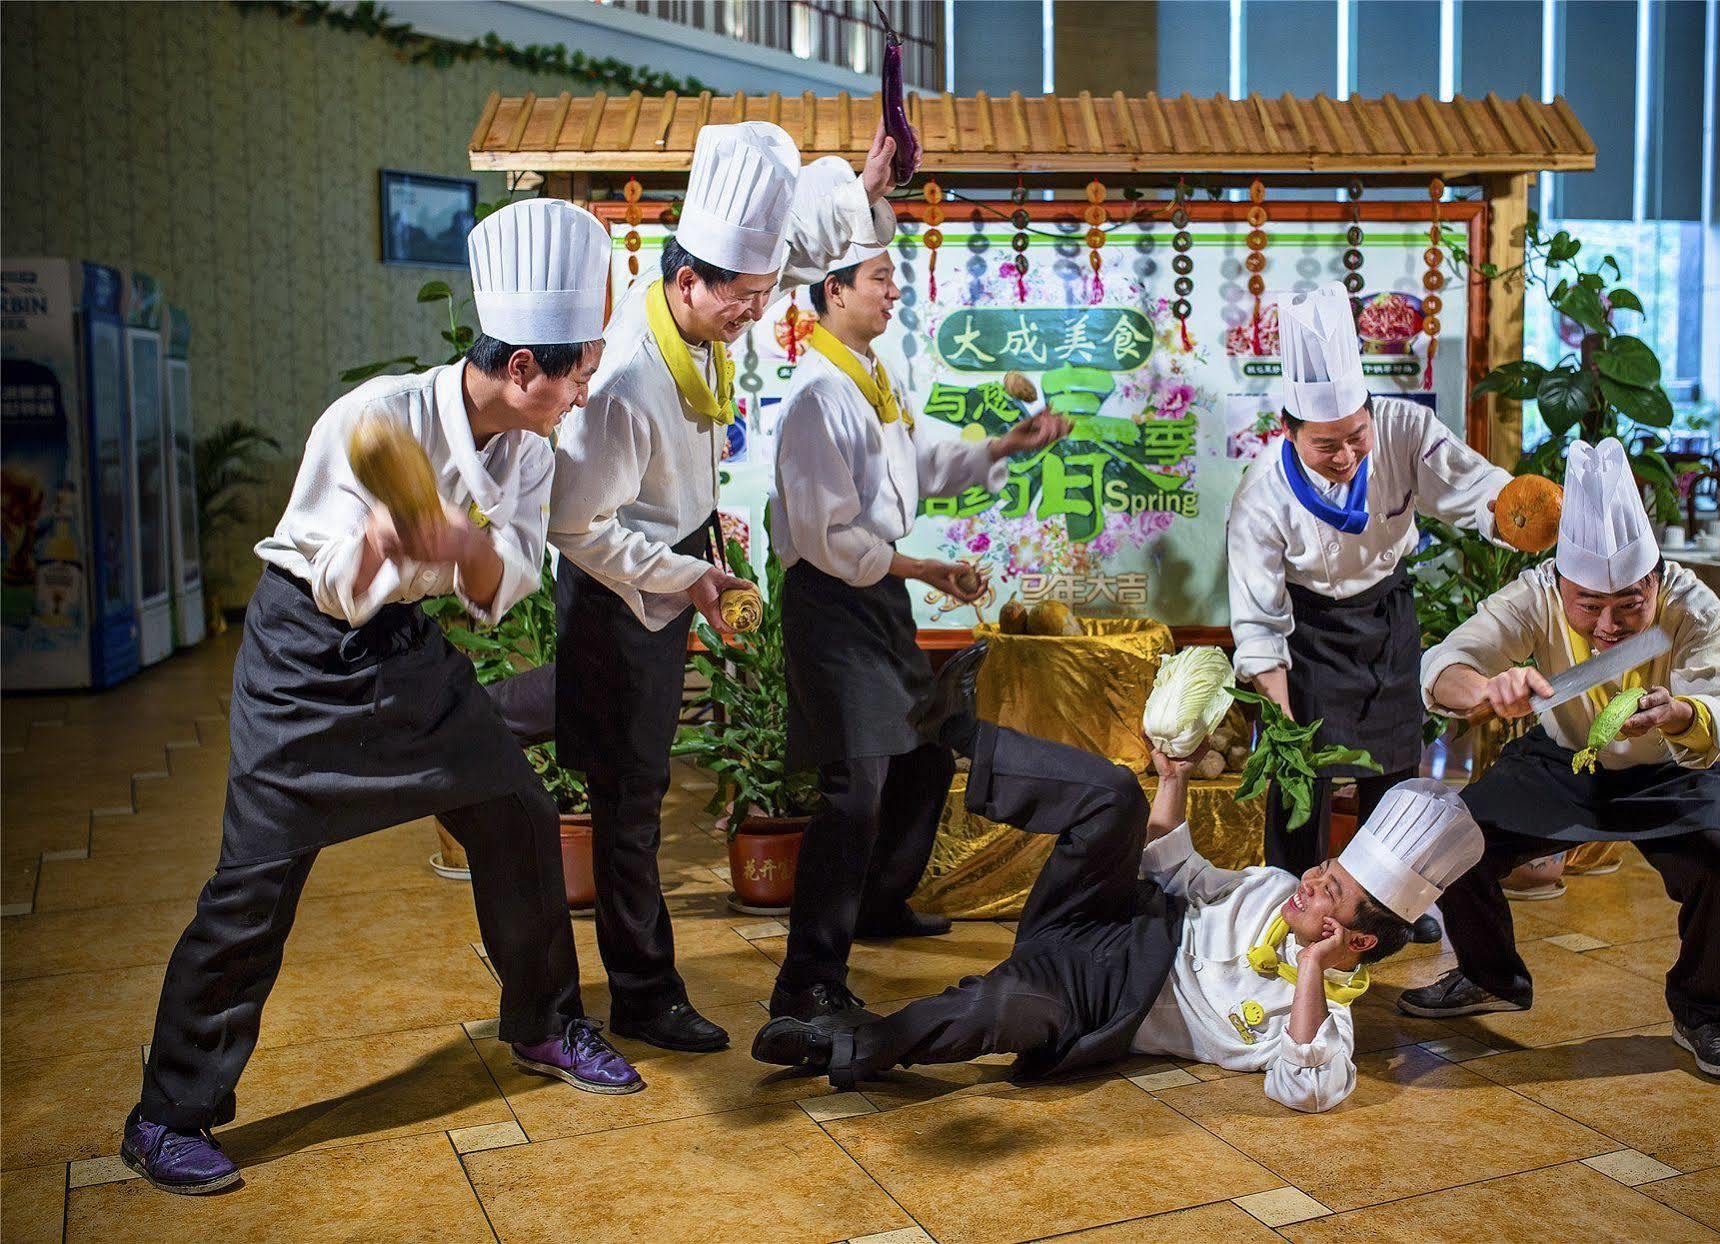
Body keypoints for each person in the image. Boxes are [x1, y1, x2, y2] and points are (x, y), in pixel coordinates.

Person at [122, 200, 638, 1196]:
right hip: (304, 659)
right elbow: (333, 583)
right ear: (523, 366)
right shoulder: (375, 419)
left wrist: (464, 547)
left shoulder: (528, 451)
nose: (583, 391)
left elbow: (503, 588)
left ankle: (542, 1021)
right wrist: (392, 542)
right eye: (576, 370)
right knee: (251, 886)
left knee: (518, 815)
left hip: (406, 655)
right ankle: (166, 1113)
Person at [541, 120, 907, 1054]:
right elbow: (576, 527)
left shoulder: (708, 300)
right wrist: (686, 574)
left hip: (681, 554)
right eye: (744, 296)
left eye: (763, 291)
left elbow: (793, 252)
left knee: (635, 766)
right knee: (629, 797)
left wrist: (862, 186)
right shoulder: (626, 380)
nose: (761, 307)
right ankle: (642, 994)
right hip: (622, 584)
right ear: (686, 280)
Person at [750, 648, 1483, 1110]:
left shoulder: (1322, 1023)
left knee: (998, 1007)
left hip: (1101, 996)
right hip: (1110, 913)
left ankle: (839, 1048)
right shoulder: (1267, 886)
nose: (1312, 880)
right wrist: (1173, 778)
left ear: (1349, 935)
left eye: (1330, 891)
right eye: (1324, 867)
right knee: (1116, 796)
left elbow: (1307, 1089)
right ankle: (961, 735)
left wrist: (1310, 971)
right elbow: (1173, 866)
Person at [766, 244, 1069, 1022]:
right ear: (833, 292)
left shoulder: (874, 375)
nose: (893, 292)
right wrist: (923, 569)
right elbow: (826, 536)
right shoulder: (814, 397)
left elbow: (924, 460)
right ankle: (806, 981)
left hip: (874, 598)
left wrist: (1003, 445)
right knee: (856, 784)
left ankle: (876, 903)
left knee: (926, 755)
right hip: (830, 599)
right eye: (879, 280)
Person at [1402, 438, 1720, 1081]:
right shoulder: (1533, 594)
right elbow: (1443, 666)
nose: (1608, 627)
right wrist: (1487, 689)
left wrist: (1682, 713)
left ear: (1656, 578)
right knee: (1452, 838)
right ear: (1560, 583)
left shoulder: (1693, 605)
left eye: (1630, 605)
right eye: (1588, 606)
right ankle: (1489, 977)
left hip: (1680, 768)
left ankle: (1706, 1012)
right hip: (1565, 759)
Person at [1227, 288, 1510, 897]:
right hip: (1307, 633)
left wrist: (1518, 510)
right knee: (1301, 780)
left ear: (1371, 413)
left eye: (1357, 436)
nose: (1347, 456)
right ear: (1288, 430)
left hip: (1385, 615)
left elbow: (1476, 487)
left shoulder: (1406, 430)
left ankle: (1392, 905)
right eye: (1325, 445)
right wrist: (1278, 719)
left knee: (1396, 770)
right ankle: (1287, 902)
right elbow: (1257, 621)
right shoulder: (1261, 495)